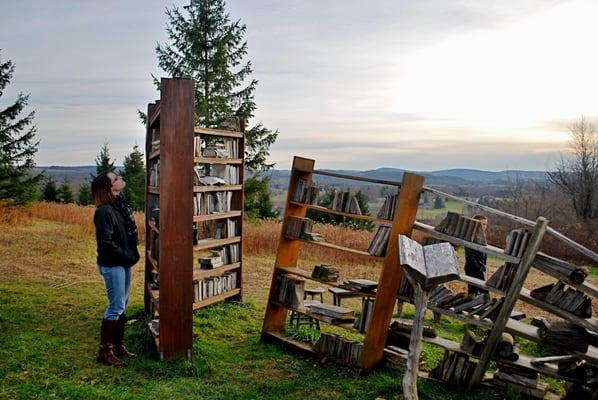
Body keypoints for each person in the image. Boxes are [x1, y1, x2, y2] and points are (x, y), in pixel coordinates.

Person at [92, 171, 140, 366]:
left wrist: (129, 255)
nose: (120, 178)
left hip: (123, 261)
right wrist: (127, 255)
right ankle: (105, 351)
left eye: (118, 176)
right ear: (109, 188)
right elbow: (105, 244)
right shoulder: (104, 211)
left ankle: (118, 344)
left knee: (123, 304)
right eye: (115, 178)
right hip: (113, 264)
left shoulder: (119, 206)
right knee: (116, 306)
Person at [464, 215, 489, 295]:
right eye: (481, 224)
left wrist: (483, 267)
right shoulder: (471, 236)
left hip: (480, 268)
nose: (484, 226)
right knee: (482, 293)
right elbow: (470, 255)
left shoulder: (482, 237)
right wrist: (479, 268)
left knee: (476, 293)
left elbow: (484, 254)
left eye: (485, 224)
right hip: (473, 268)